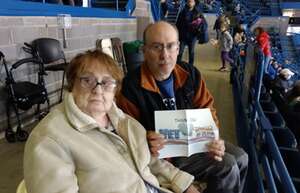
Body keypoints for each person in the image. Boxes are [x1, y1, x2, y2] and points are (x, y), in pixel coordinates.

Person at [23, 50, 199, 193]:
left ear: (115, 89)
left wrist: (183, 183)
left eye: (107, 82)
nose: (98, 90)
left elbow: (149, 163)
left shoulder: (124, 121)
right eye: (87, 80)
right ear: (72, 84)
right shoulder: (49, 139)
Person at [117, 21, 248, 193]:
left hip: (196, 144)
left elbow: (208, 109)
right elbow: (127, 133)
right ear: (144, 50)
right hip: (164, 156)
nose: (165, 55)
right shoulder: (131, 87)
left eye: (170, 46)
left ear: (178, 48)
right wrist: (146, 140)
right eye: (156, 47)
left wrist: (214, 138)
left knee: (241, 157)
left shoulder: (190, 74)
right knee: (228, 166)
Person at [176, 0, 202, 66]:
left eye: (191, 1)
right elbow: (178, 24)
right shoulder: (182, 12)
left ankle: (191, 66)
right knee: (180, 52)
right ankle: (178, 65)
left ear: (194, 3)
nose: (190, 3)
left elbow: (202, 24)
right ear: (187, 3)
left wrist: (198, 27)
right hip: (183, 36)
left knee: (191, 52)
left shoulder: (198, 13)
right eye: (189, 1)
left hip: (193, 36)